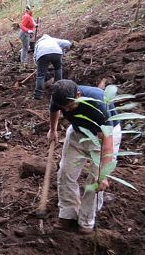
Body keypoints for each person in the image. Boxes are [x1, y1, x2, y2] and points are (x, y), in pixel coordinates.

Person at [47, 80, 121, 235]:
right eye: (64, 107)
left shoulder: (98, 105)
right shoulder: (58, 97)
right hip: (77, 132)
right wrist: (53, 130)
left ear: (78, 95)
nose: (67, 110)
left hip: (105, 136)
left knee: (94, 181)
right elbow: (54, 110)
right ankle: (68, 214)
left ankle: (87, 220)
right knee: (65, 173)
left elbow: (106, 143)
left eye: (70, 105)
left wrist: (103, 174)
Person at [33, 34, 72, 100]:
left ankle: (38, 95)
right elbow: (68, 43)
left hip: (42, 55)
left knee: (40, 75)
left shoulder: (38, 43)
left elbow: (35, 56)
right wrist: (66, 48)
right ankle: (59, 89)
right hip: (57, 53)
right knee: (58, 69)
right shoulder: (53, 40)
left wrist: (38, 65)